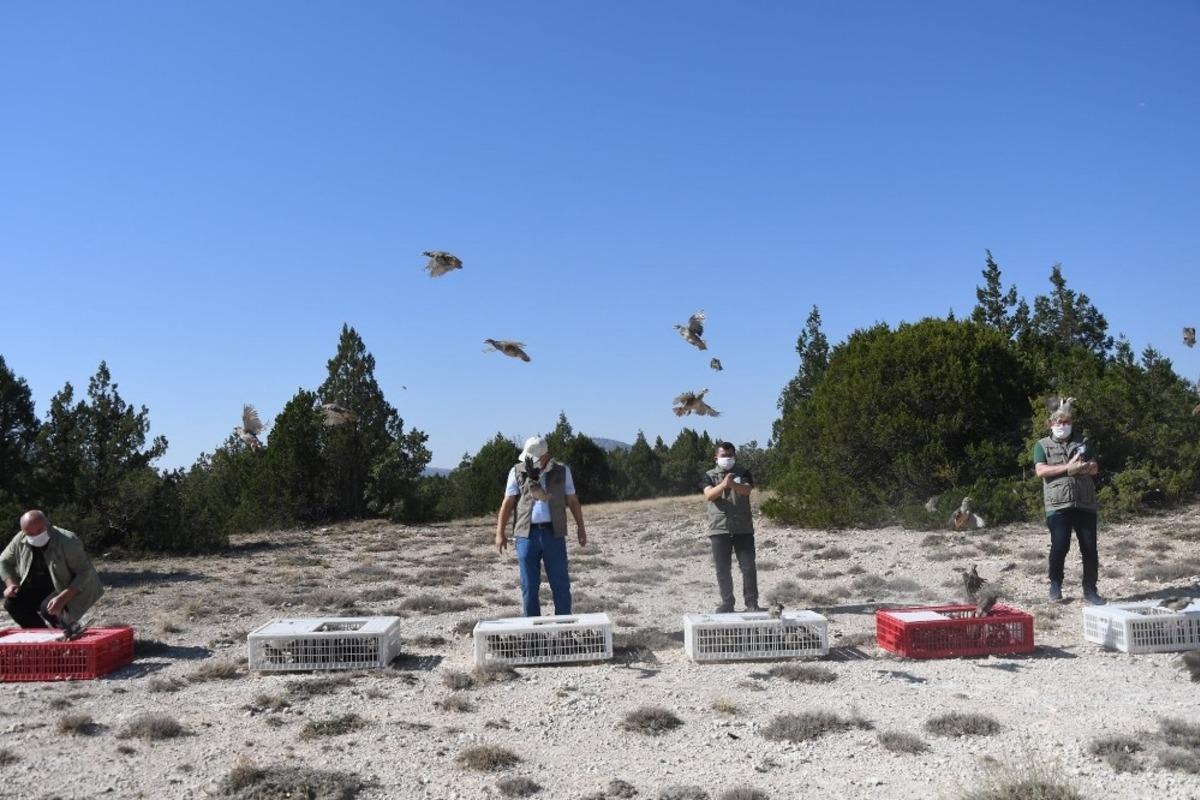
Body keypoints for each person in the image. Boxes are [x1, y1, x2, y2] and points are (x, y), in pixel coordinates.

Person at [495, 436, 587, 617]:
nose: (531, 462)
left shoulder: (562, 471)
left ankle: (564, 630)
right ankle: (533, 631)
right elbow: (508, 503)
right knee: (529, 587)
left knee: (561, 585)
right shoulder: (516, 471)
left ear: (546, 456)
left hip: (554, 534)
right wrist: (500, 533)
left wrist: (581, 527)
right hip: (526, 536)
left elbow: (572, 501)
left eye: (535, 458)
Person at [1033, 397, 1105, 605]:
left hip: (1085, 503)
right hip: (1057, 505)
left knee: (1089, 549)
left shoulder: (1083, 442)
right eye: (1058, 422)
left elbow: (1094, 468)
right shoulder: (1042, 445)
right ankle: (1055, 584)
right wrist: (1068, 468)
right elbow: (1041, 471)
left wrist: (1084, 467)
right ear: (1050, 423)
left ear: (1072, 422)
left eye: (1066, 422)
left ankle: (1090, 590)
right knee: (1060, 546)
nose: (1062, 426)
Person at [1, 510, 104, 629]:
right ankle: (39, 634)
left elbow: (84, 572)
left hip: (69, 585)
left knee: (50, 608)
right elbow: (3, 561)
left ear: (47, 524)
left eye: (39, 531)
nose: (35, 535)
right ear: (23, 531)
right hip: (39, 585)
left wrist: (62, 598)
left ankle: (70, 628)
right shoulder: (20, 539)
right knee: (13, 603)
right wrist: (11, 584)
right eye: (30, 533)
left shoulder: (67, 540)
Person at [702, 442, 761, 613]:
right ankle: (727, 603)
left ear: (735, 456)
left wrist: (733, 484)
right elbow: (709, 495)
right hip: (719, 528)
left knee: (748, 567)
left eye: (730, 455)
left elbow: (747, 491)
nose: (727, 458)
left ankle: (751, 603)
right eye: (723, 455)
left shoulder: (743, 472)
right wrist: (723, 485)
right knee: (722, 569)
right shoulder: (709, 475)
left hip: (743, 528)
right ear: (716, 457)